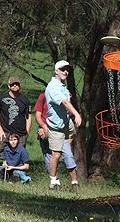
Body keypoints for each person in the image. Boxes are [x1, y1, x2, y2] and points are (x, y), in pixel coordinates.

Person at [45, 60, 82, 190]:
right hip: (56, 127)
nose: (65, 71)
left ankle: (62, 143)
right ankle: (53, 182)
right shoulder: (53, 87)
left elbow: (67, 98)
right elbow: (65, 103)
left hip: (66, 123)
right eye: (62, 69)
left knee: (74, 133)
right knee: (56, 154)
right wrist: (76, 114)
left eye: (67, 69)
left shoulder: (61, 85)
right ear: (56, 71)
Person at [0, 76, 32, 179]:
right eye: (12, 84)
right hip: (5, 132)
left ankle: (16, 177)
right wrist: (0, 130)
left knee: (19, 158)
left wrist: (27, 132)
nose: (15, 86)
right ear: (9, 86)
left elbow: (29, 117)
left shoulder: (24, 100)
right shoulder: (1, 98)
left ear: (20, 85)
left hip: (20, 134)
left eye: (17, 84)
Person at [34, 92, 77, 179]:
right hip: (45, 130)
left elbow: (68, 116)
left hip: (60, 131)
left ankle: (74, 183)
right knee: (51, 158)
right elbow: (38, 116)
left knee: (68, 157)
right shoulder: (43, 97)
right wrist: (44, 127)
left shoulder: (65, 97)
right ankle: (55, 183)